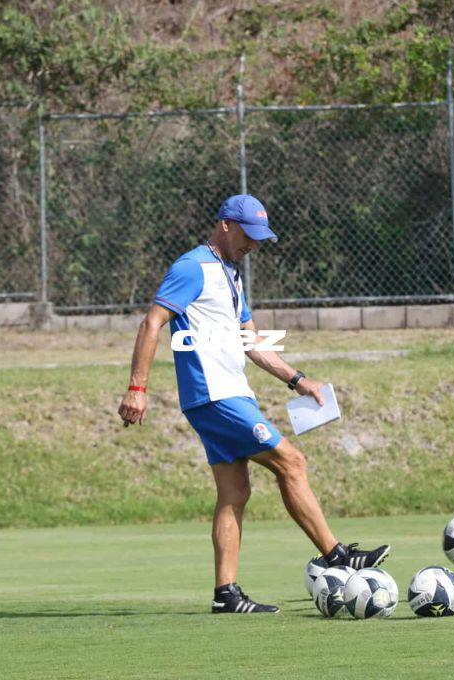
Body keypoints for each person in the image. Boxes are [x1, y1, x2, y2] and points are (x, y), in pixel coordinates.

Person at [117, 194, 389, 614]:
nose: (254, 245)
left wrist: (297, 380)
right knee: (291, 462)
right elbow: (152, 321)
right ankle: (338, 556)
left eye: (260, 238)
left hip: (229, 393)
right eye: (249, 235)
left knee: (235, 492)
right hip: (214, 395)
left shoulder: (231, 276)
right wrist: (138, 387)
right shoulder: (192, 267)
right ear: (225, 225)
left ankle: (225, 594)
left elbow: (252, 342)